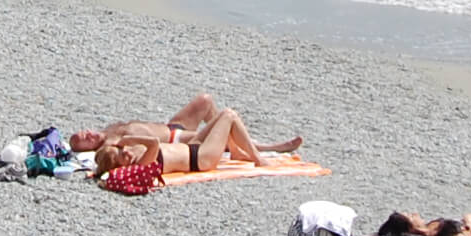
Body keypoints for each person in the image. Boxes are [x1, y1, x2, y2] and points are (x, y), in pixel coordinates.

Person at [94, 106, 303, 179]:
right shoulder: (140, 165)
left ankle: (240, 153)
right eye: (123, 155)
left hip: (191, 148)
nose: (127, 152)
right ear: (120, 166)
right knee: (229, 116)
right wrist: (130, 139)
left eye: (124, 151)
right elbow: (154, 144)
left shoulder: (134, 159)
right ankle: (258, 159)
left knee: (221, 118)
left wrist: (117, 145)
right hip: (201, 159)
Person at [68, 97, 224, 151]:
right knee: (219, 129)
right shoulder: (110, 144)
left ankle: (228, 143)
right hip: (175, 140)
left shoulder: (108, 130)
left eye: (85, 132)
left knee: (205, 100)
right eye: (87, 140)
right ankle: (235, 144)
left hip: (171, 127)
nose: (89, 135)